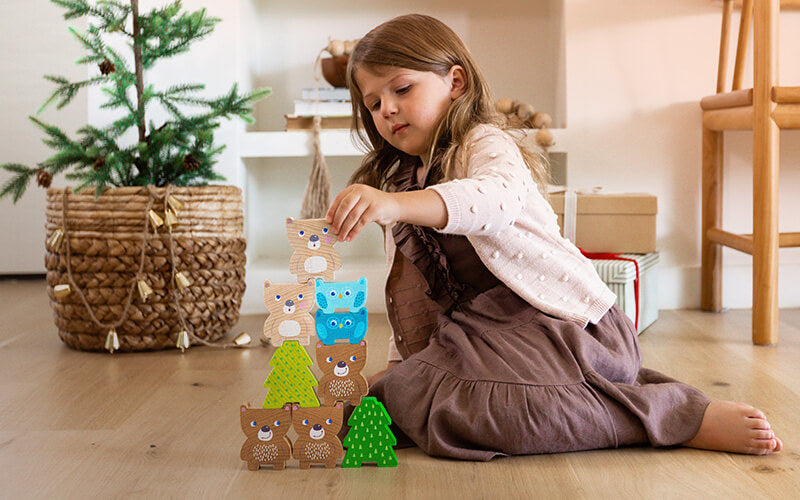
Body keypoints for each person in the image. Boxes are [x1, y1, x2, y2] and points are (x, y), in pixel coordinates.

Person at [325, 13, 782, 460]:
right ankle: (443, 391)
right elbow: (406, 288)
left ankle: (675, 416)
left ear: (456, 82)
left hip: (556, 327)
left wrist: (394, 205)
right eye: (373, 103)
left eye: (402, 89)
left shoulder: (483, 144)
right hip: (477, 338)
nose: (386, 109)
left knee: (494, 411)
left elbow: (492, 202)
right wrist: (402, 366)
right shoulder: (400, 184)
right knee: (403, 392)